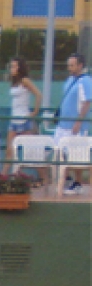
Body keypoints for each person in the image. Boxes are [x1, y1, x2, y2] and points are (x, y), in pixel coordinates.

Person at [56, 53, 92, 195]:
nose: (69, 67)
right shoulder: (70, 80)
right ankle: (67, 179)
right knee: (61, 152)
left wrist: (79, 121)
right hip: (63, 124)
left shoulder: (86, 81)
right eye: (68, 65)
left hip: (75, 126)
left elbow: (87, 102)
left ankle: (77, 182)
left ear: (80, 65)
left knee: (77, 154)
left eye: (72, 65)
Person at [3, 58, 41, 175]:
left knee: (30, 150)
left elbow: (38, 94)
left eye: (14, 66)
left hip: (24, 120)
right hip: (14, 120)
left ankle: (44, 177)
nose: (12, 69)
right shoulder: (15, 82)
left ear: (20, 68)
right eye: (11, 67)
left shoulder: (25, 81)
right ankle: (2, 176)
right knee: (9, 150)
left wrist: (34, 111)